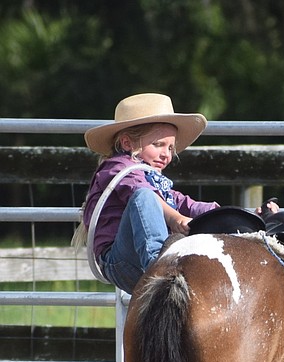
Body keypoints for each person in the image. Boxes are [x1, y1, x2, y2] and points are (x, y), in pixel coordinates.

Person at [80, 93, 219, 293]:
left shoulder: (153, 178)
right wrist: (175, 218)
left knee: (205, 213)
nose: (167, 154)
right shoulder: (117, 168)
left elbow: (183, 203)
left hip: (136, 255)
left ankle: (166, 264)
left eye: (171, 148)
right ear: (128, 144)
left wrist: (226, 213)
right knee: (143, 197)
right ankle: (159, 267)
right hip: (118, 261)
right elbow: (140, 192)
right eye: (158, 144)